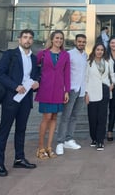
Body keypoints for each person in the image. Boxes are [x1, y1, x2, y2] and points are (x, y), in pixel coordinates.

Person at [0, 29, 40, 177]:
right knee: (4, 130)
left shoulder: (34, 58)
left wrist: (37, 83)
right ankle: (0, 164)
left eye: (30, 38)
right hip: (11, 98)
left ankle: (19, 159)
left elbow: (35, 75)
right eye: (25, 37)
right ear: (19, 39)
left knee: (21, 129)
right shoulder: (10, 54)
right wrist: (15, 86)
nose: (28, 40)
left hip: (25, 99)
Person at [34, 30, 71, 159]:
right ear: (52, 39)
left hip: (58, 91)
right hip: (45, 89)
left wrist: (67, 91)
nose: (59, 40)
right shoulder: (43, 54)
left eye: (61, 38)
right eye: (57, 38)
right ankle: (40, 148)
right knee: (47, 117)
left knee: (54, 118)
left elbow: (67, 74)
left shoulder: (65, 55)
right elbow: (34, 68)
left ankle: (49, 147)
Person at [55, 34, 88, 155]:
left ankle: (69, 139)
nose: (81, 43)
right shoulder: (68, 54)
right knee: (65, 116)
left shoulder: (85, 56)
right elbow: (63, 72)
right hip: (71, 89)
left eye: (83, 42)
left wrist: (86, 91)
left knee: (74, 116)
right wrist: (65, 90)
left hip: (81, 90)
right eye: (79, 41)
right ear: (75, 42)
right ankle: (60, 141)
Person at [85, 43, 115, 151]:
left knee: (102, 117)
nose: (100, 52)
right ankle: (94, 138)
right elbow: (85, 78)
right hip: (92, 91)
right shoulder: (89, 62)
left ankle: (100, 140)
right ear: (94, 50)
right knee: (92, 117)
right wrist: (86, 93)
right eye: (98, 49)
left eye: (102, 50)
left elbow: (112, 74)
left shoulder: (108, 61)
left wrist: (112, 84)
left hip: (105, 90)